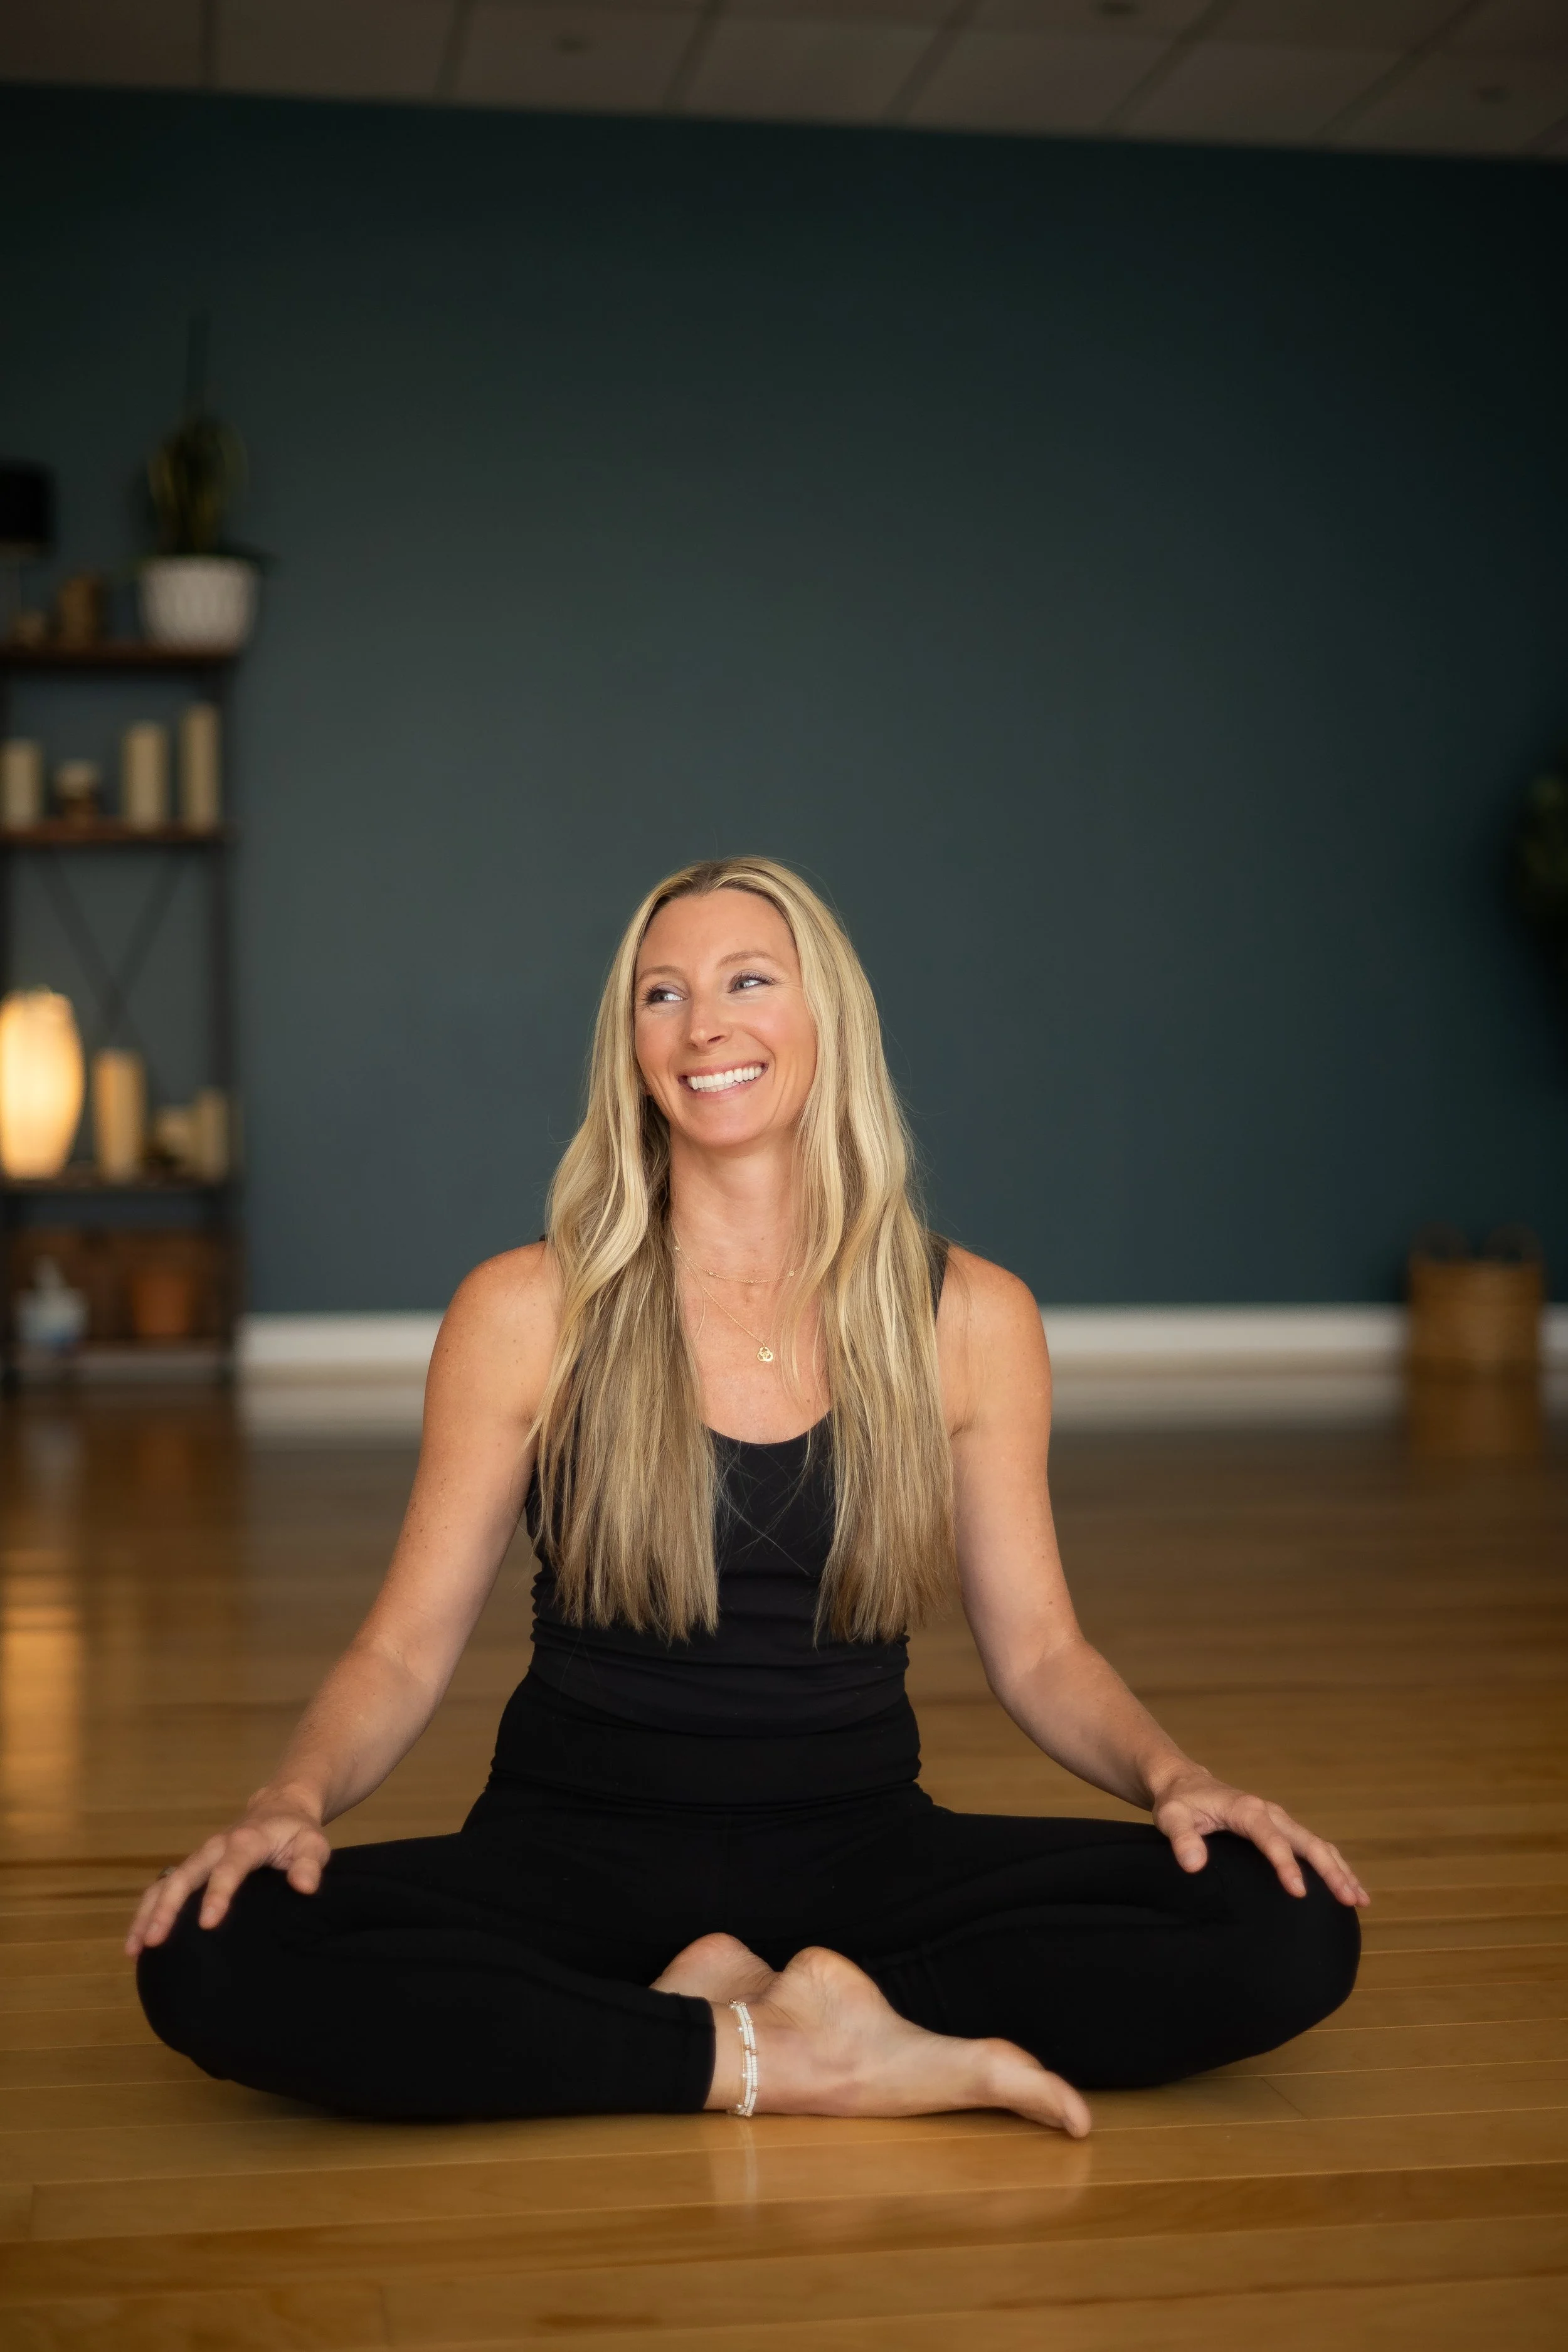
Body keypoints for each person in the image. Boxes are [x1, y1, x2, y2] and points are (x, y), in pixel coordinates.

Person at [131, 856, 1364, 2133]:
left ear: (823, 1019)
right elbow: (399, 1650)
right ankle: (794, 2050)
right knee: (214, 1950)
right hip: (569, 1856)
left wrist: (1177, 1779)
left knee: (1280, 1919)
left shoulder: (969, 1318)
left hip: (863, 1859)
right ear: (632, 1049)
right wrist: (289, 1801)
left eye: (745, 981)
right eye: (659, 995)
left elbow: (1042, 1651)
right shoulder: (524, 1311)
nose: (702, 1022)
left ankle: (691, 2027)